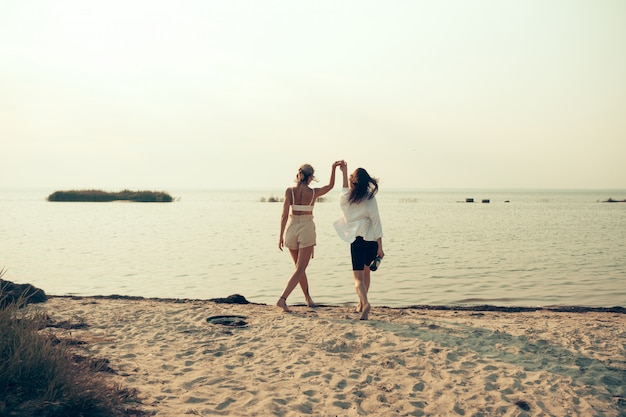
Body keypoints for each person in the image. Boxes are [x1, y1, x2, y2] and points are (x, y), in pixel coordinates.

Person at [277, 161, 343, 312]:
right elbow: (331, 186)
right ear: (310, 177)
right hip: (306, 227)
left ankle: (308, 298)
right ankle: (282, 299)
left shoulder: (289, 191)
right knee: (300, 269)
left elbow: (284, 215)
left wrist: (280, 235)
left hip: (291, 228)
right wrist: (333, 168)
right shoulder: (313, 192)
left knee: (298, 269)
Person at [334, 163, 384, 320]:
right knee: (366, 273)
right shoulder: (370, 198)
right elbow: (376, 222)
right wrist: (380, 247)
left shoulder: (345, 199)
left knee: (357, 279)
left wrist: (344, 173)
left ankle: (365, 303)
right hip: (371, 241)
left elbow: (344, 189)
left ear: (352, 182)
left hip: (357, 241)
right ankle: (361, 304)